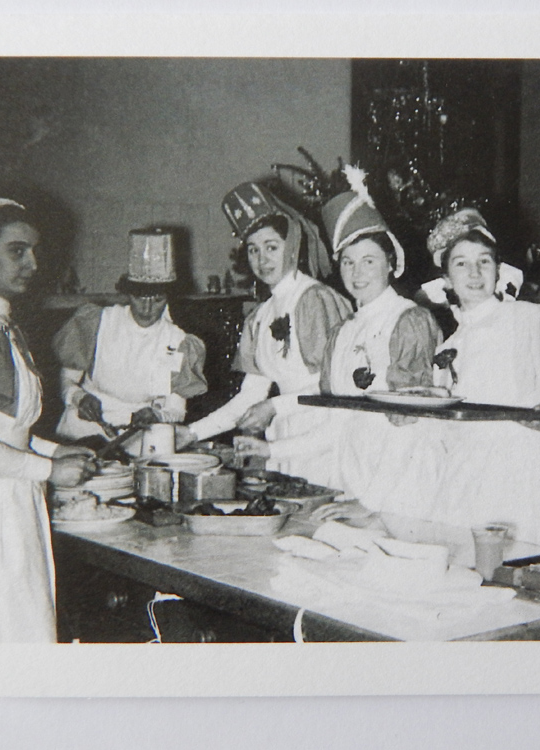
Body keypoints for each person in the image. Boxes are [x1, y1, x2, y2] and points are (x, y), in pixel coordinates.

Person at [237, 166, 445, 516]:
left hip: (400, 484)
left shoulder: (409, 321)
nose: (357, 272)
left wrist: (370, 504)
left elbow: (410, 429)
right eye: (348, 262)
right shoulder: (344, 331)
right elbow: (337, 424)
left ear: (391, 264)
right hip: (353, 476)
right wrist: (271, 452)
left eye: (368, 261)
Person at [0, 194, 95, 642]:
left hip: (13, 495)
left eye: (35, 251)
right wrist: (51, 469)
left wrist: (59, 449)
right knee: (6, 627)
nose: (33, 263)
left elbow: (9, 430)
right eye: (16, 251)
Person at [177, 183, 351, 485]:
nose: (262, 259)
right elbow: (250, 396)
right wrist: (192, 433)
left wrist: (274, 406)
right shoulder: (260, 316)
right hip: (282, 438)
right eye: (254, 249)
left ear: (292, 245)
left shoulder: (314, 299)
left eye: (272, 247)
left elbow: (335, 391)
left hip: (325, 435)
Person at [426, 209, 540, 548]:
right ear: (447, 277)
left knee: (523, 565)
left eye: (484, 262)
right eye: (461, 263)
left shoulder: (528, 318)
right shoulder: (449, 345)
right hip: (467, 469)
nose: (475, 273)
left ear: (498, 269)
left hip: (522, 466)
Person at [53, 228, 208, 454]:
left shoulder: (179, 341)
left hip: (139, 439)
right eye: (139, 298)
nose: (147, 309)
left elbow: (177, 409)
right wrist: (80, 398)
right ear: (128, 294)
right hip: (82, 434)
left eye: (157, 300)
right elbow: (66, 381)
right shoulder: (97, 323)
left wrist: (157, 415)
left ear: (168, 298)